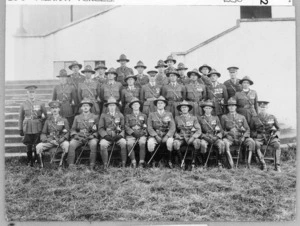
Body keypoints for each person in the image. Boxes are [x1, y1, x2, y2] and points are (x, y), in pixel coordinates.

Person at [221, 97, 256, 169]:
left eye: (233, 106)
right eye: (230, 106)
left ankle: (248, 163)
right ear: (227, 107)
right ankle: (231, 164)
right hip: (229, 138)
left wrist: (244, 137)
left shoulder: (242, 117)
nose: (231, 107)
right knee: (225, 143)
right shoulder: (224, 117)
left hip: (240, 138)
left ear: (236, 107)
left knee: (251, 142)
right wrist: (227, 135)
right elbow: (221, 129)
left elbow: (247, 129)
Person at [18, 85, 48, 166]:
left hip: (37, 126)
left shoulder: (40, 103)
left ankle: (37, 159)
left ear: (35, 93)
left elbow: (46, 116)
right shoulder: (23, 104)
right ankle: (29, 161)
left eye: (33, 92)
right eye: (29, 92)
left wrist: (43, 125)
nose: (31, 94)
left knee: (37, 143)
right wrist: (20, 128)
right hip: (27, 126)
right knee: (28, 144)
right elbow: (20, 117)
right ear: (27, 93)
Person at [67, 98, 99, 170]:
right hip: (79, 137)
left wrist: (93, 135)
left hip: (90, 137)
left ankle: (92, 164)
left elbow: (97, 130)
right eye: (83, 106)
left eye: (87, 105)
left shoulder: (95, 117)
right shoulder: (77, 117)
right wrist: (76, 135)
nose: (85, 107)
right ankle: (71, 165)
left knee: (93, 144)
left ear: (90, 107)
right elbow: (73, 129)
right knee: (71, 144)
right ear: (81, 107)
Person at [36, 101, 70, 168]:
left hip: (60, 140)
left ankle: (61, 164)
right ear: (50, 110)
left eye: (56, 108)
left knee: (66, 145)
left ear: (59, 109)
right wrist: (49, 140)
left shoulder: (64, 120)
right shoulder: (47, 120)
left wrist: (62, 139)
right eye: (53, 108)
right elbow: (43, 133)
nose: (55, 110)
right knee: (38, 147)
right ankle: (41, 166)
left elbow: (68, 132)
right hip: (50, 140)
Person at [250, 101, 281, 172]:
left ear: (267, 107)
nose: (262, 108)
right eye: (261, 107)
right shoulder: (254, 118)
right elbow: (251, 130)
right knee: (256, 144)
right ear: (258, 108)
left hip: (270, 136)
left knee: (277, 144)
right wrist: (255, 135)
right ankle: (263, 164)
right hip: (259, 137)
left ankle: (277, 165)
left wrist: (275, 134)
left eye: (264, 107)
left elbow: (278, 129)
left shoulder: (272, 117)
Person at [198, 100, 230, 169]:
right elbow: (199, 131)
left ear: (212, 109)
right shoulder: (200, 118)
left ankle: (219, 161)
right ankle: (204, 162)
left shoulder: (216, 118)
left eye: (209, 108)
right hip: (205, 137)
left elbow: (221, 130)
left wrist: (217, 137)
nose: (208, 110)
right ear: (203, 109)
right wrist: (205, 137)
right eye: (206, 108)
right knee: (203, 144)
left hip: (214, 137)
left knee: (221, 143)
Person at [147, 96, 175, 168]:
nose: (160, 104)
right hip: (155, 135)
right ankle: (154, 161)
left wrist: (167, 136)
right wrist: (155, 136)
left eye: (161, 103)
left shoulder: (169, 114)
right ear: (156, 105)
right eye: (158, 103)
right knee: (150, 143)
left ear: (164, 105)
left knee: (170, 142)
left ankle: (169, 160)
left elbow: (172, 127)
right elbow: (149, 127)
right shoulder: (152, 114)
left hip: (166, 134)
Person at [99, 97, 127, 169]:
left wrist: (120, 135)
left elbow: (123, 128)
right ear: (108, 106)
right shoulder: (103, 115)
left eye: (113, 105)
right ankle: (105, 164)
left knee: (123, 143)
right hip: (107, 136)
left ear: (116, 106)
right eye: (110, 105)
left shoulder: (120, 115)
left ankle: (123, 163)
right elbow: (101, 128)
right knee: (102, 144)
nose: (112, 107)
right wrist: (105, 136)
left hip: (117, 136)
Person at [173, 101, 202, 170]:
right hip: (181, 137)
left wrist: (193, 137)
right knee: (176, 144)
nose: (184, 109)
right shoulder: (177, 118)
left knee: (197, 142)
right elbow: (173, 130)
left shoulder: (194, 118)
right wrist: (177, 136)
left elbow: (198, 130)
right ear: (180, 109)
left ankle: (193, 161)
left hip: (191, 136)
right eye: (182, 107)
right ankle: (182, 160)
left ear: (188, 109)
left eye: (185, 107)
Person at [125, 98, 148, 168]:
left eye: (137, 104)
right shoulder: (128, 116)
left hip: (141, 134)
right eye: (134, 105)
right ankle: (133, 161)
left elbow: (146, 126)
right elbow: (126, 126)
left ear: (139, 106)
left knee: (142, 143)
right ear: (131, 106)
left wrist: (142, 133)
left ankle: (141, 161)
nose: (135, 106)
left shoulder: (144, 116)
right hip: (131, 135)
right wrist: (132, 133)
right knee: (129, 143)